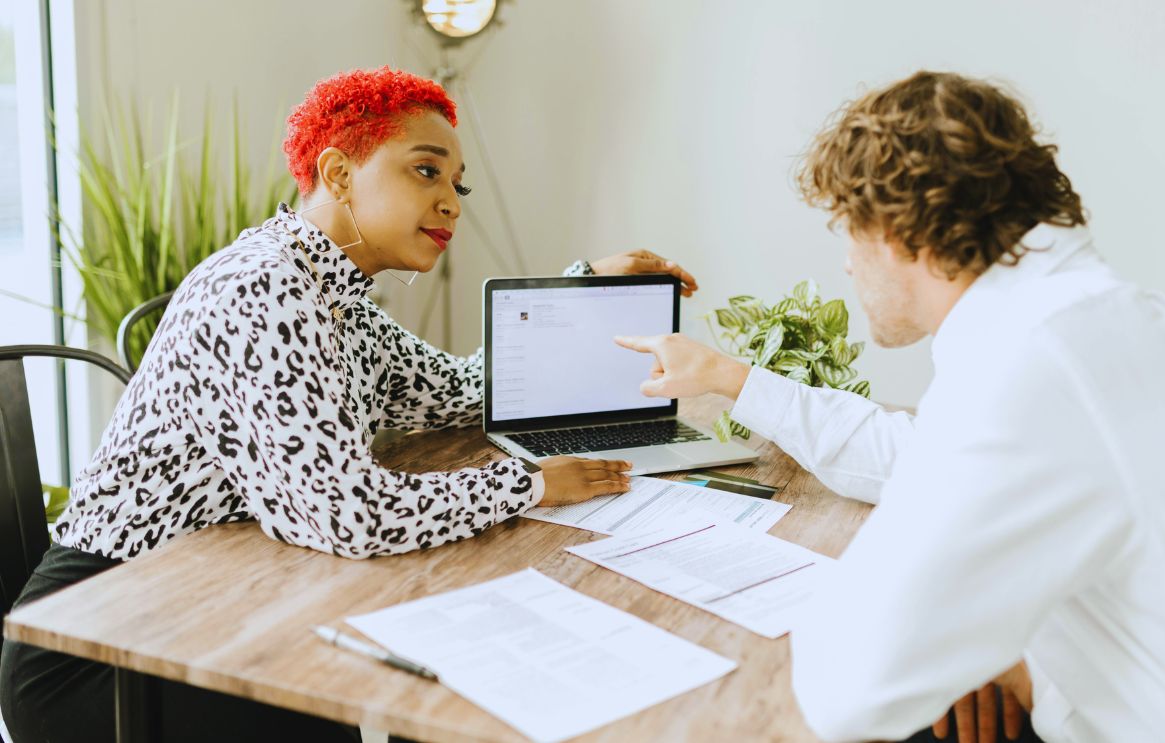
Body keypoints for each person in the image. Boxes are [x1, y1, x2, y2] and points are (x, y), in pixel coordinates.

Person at [0, 66, 699, 742]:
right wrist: (530, 483)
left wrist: (583, 282)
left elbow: (458, 392)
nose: (453, 200)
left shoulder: (333, 293)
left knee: (429, 674)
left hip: (218, 602)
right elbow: (346, 513)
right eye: (426, 170)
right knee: (388, 696)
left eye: (458, 183)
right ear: (338, 175)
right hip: (102, 651)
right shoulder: (263, 287)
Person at [615, 70, 1165, 742]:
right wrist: (729, 375)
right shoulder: (1098, 321)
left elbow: (849, 688)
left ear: (895, 232)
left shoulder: (1032, 364)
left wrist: (987, 650)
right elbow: (909, 457)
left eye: (846, 230)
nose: (846, 265)